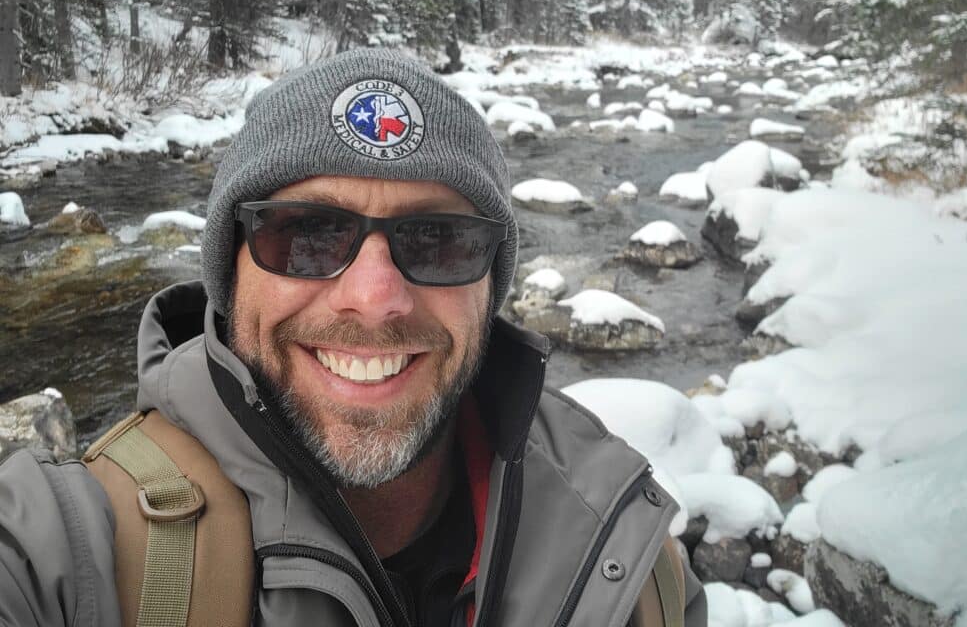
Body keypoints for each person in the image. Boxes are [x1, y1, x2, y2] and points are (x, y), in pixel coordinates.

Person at [0, 48, 707, 626]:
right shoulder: (69, 550)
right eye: (307, 234)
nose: (375, 300)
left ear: (491, 286)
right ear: (230, 270)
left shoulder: (631, 561)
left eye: (436, 240)